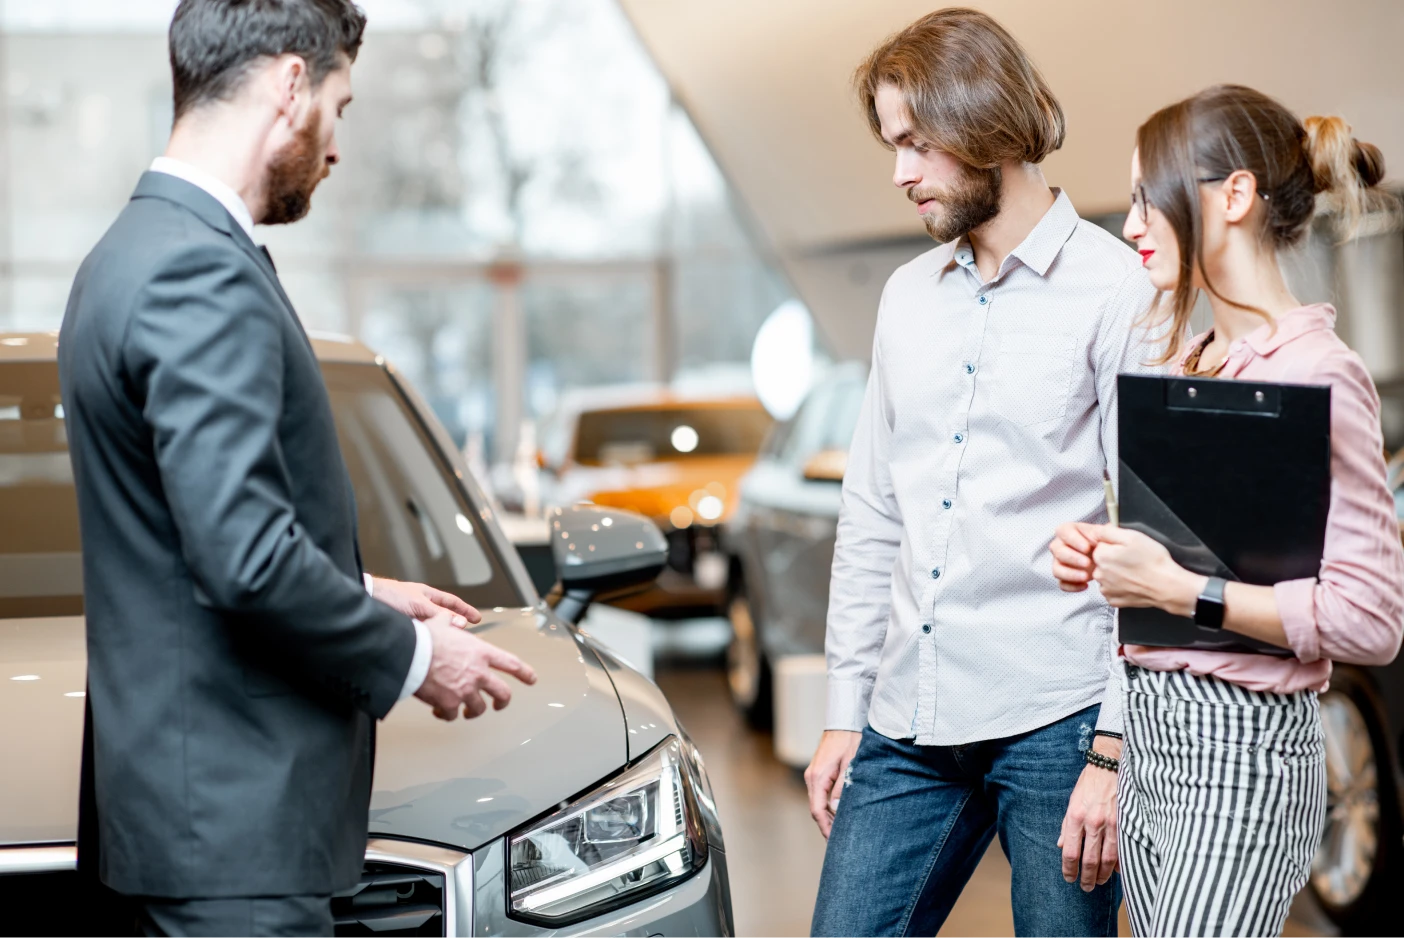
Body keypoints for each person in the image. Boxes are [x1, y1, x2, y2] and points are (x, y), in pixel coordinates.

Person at [58, 2, 537, 935]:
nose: (336, 146)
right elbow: (243, 559)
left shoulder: (131, 253)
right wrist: (414, 658)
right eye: (340, 106)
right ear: (289, 84)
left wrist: (352, 584)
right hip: (236, 835)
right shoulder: (198, 270)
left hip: (192, 826)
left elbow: (182, 537)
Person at [805, 8, 1163, 936]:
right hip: (905, 716)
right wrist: (844, 711)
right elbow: (872, 511)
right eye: (892, 145)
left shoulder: (1118, 290)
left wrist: (1116, 750)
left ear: (986, 124)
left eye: (917, 143)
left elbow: (1151, 534)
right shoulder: (904, 299)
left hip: (1062, 719)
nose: (900, 173)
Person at [1050, 84, 1404, 937]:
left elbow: (1372, 619)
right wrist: (1107, 555)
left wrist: (1177, 591)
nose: (1132, 223)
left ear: (1234, 196)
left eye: (1148, 195)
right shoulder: (1196, 364)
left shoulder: (1320, 373)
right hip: (1157, 745)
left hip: (1242, 754)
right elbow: (1207, 559)